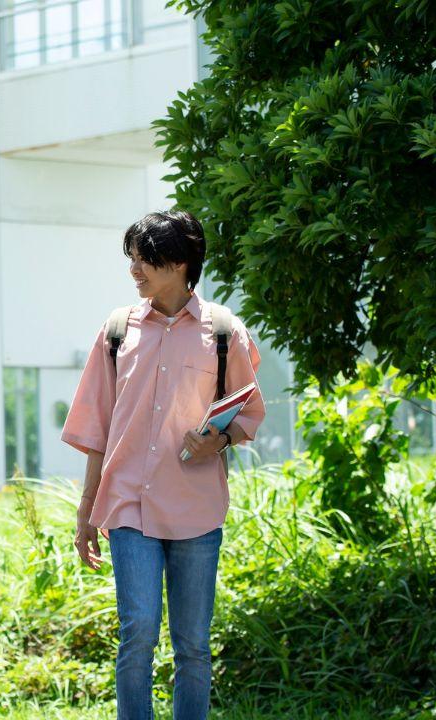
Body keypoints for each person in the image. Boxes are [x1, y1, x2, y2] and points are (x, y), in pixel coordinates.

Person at [62, 210, 266, 720]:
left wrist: (218, 441)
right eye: (131, 259)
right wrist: (86, 511)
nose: (134, 270)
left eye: (144, 260)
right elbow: (96, 427)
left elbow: (249, 411)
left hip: (196, 507)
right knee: (138, 633)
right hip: (129, 504)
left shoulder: (224, 332)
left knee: (193, 644)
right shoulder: (117, 331)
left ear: (178, 263)